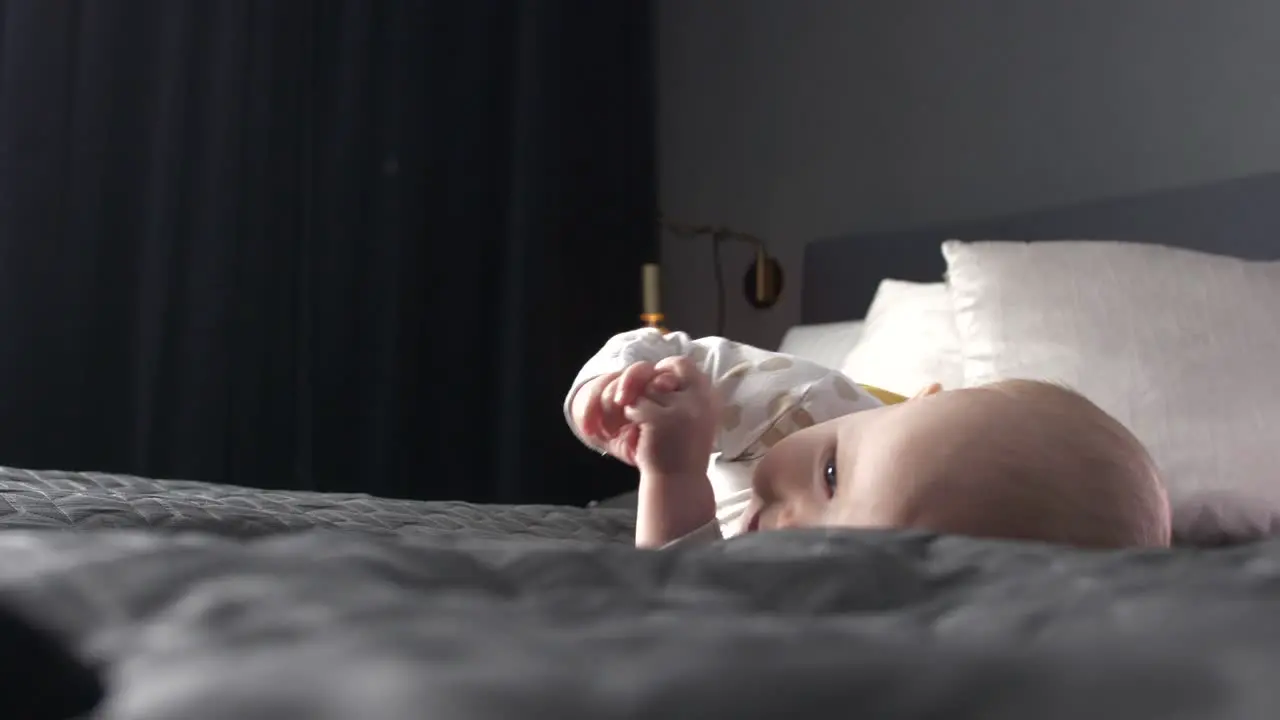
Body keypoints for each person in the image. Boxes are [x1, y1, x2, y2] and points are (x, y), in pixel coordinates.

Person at [565, 328, 1171, 549]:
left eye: (852, 552)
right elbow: (673, 355)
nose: (794, 531)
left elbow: (683, 594)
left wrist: (671, 483)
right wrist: (616, 388)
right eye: (829, 476)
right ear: (915, 405)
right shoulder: (798, 404)